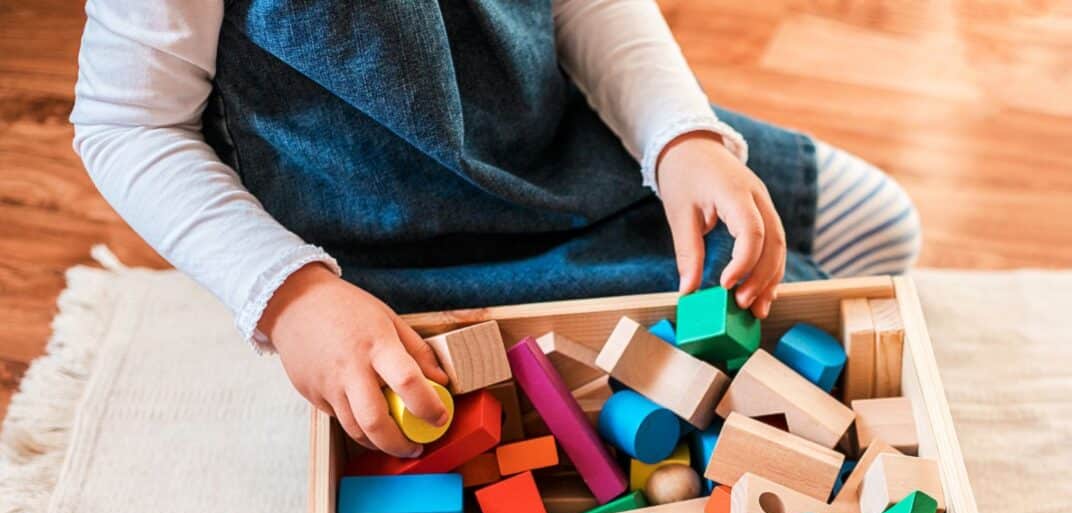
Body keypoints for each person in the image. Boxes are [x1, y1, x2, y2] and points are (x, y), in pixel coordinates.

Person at [71, 0, 921, 457]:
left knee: (884, 233)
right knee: (778, 341)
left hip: (563, 153)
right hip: (392, 251)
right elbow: (126, 125)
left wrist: (681, 142)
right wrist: (290, 296)